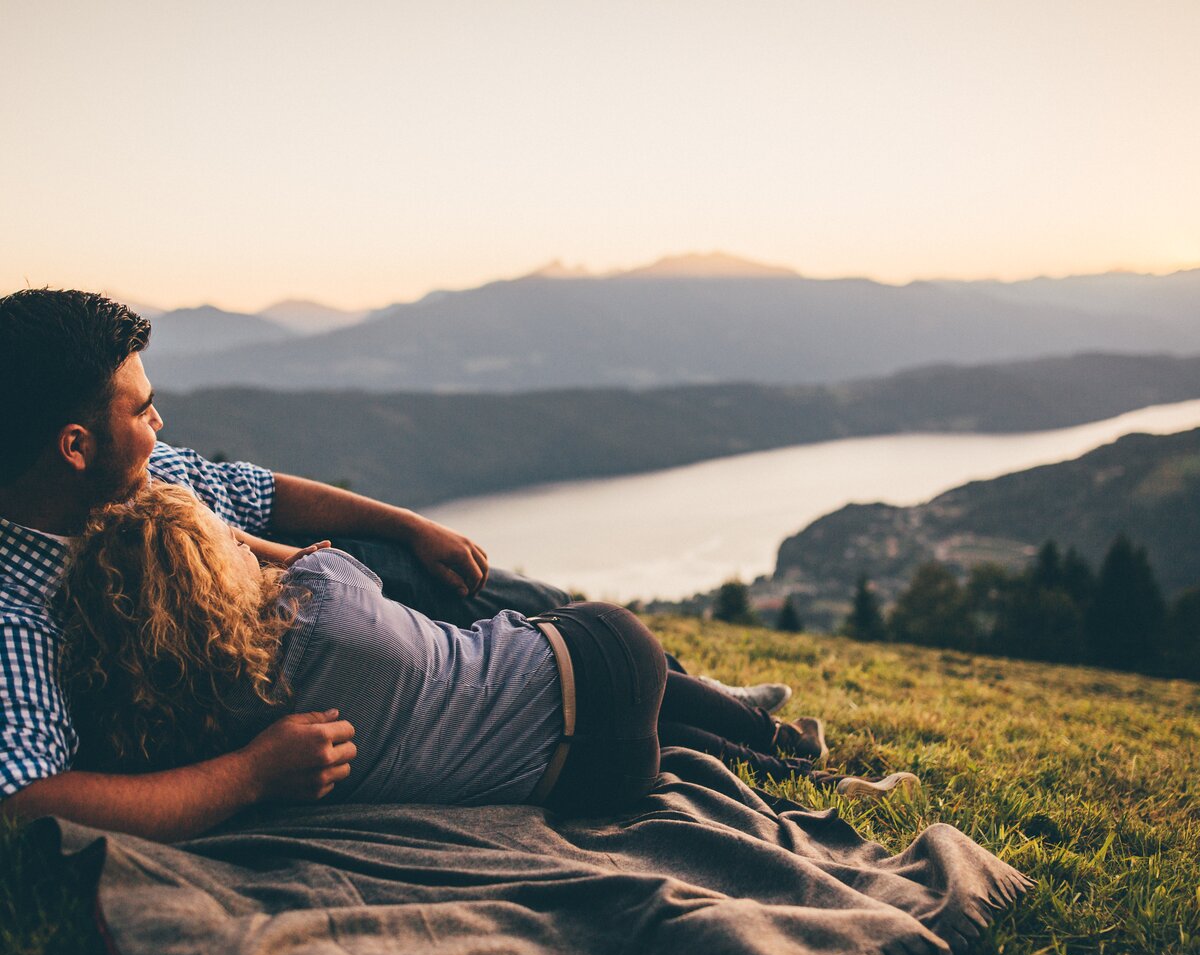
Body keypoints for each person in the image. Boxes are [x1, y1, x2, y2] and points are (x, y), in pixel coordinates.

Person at [0, 288, 805, 839]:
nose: (160, 423)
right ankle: (665, 692)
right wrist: (249, 776)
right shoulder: (15, 617)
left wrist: (412, 526)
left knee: (450, 576)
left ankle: (681, 685)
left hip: (309, 648)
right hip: (269, 700)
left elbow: (256, 493)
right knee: (562, 651)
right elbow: (26, 803)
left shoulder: (137, 473)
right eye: (142, 410)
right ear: (74, 448)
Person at [62, 484, 916, 813]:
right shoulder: (325, 598)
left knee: (615, 732)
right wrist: (238, 542)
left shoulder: (223, 735)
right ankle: (787, 754)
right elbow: (315, 556)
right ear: (220, 569)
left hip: (584, 785)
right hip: (607, 660)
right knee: (603, 655)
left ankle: (781, 762)